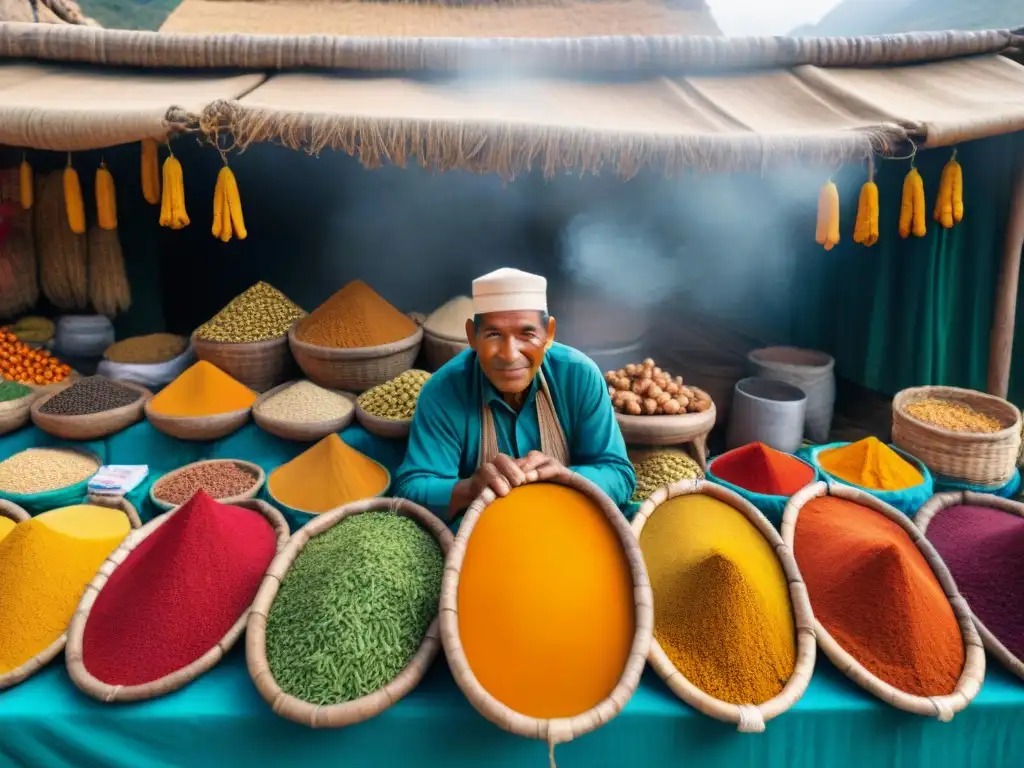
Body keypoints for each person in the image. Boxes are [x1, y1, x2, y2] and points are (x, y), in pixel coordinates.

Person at [393, 267, 635, 521]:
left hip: (569, 518)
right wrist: (470, 488)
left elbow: (618, 473)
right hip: (486, 530)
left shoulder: (578, 376)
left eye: (527, 334)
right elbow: (412, 488)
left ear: (549, 334)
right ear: (472, 337)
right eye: (493, 334)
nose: (509, 355)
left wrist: (567, 477)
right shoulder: (444, 390)